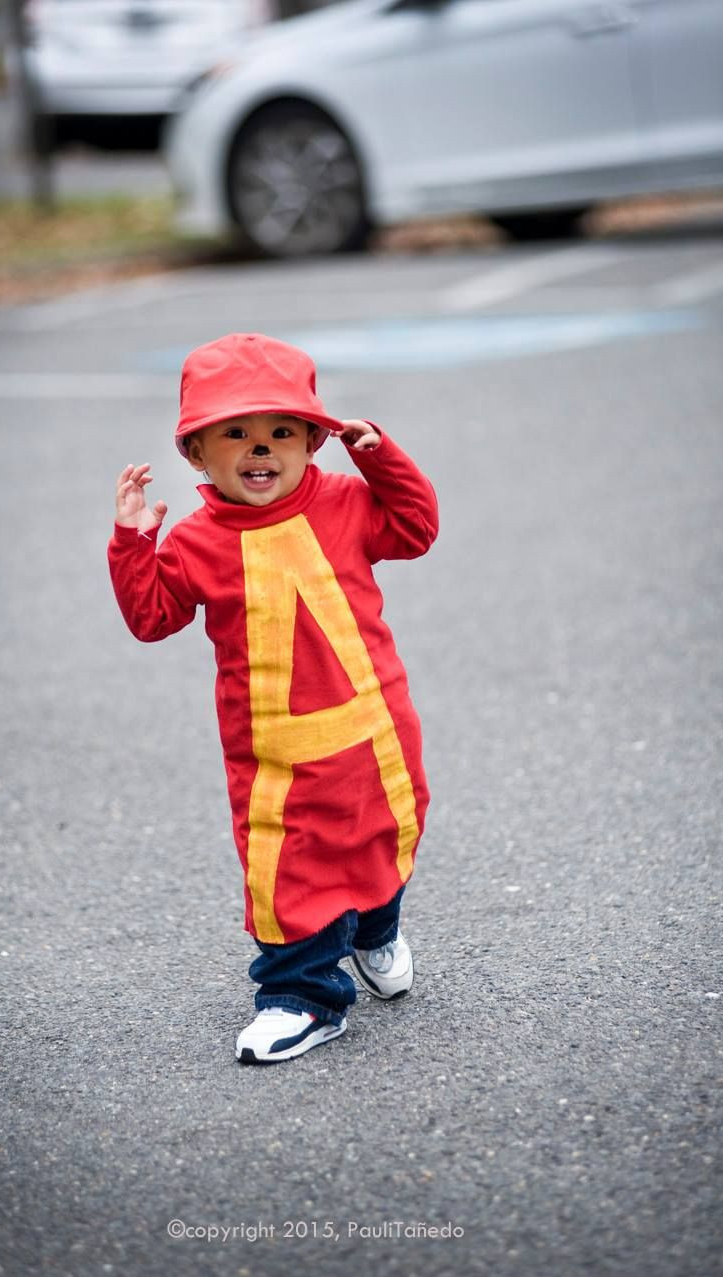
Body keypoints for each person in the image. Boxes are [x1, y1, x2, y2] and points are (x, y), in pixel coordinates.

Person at [108, 332, 438, 1064]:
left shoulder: (348, 500)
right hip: (275, 751)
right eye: (236, 434)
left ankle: (374, 929)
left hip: (373, 724)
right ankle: (303, 996)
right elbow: (152, 616)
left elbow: (417, 529)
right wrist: (133, 543)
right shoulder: (198, 540)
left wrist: (378, 454)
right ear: (197, 453)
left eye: (282, 432)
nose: (262, 450)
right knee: (287, 868)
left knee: (382, 832)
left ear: (314, 441)